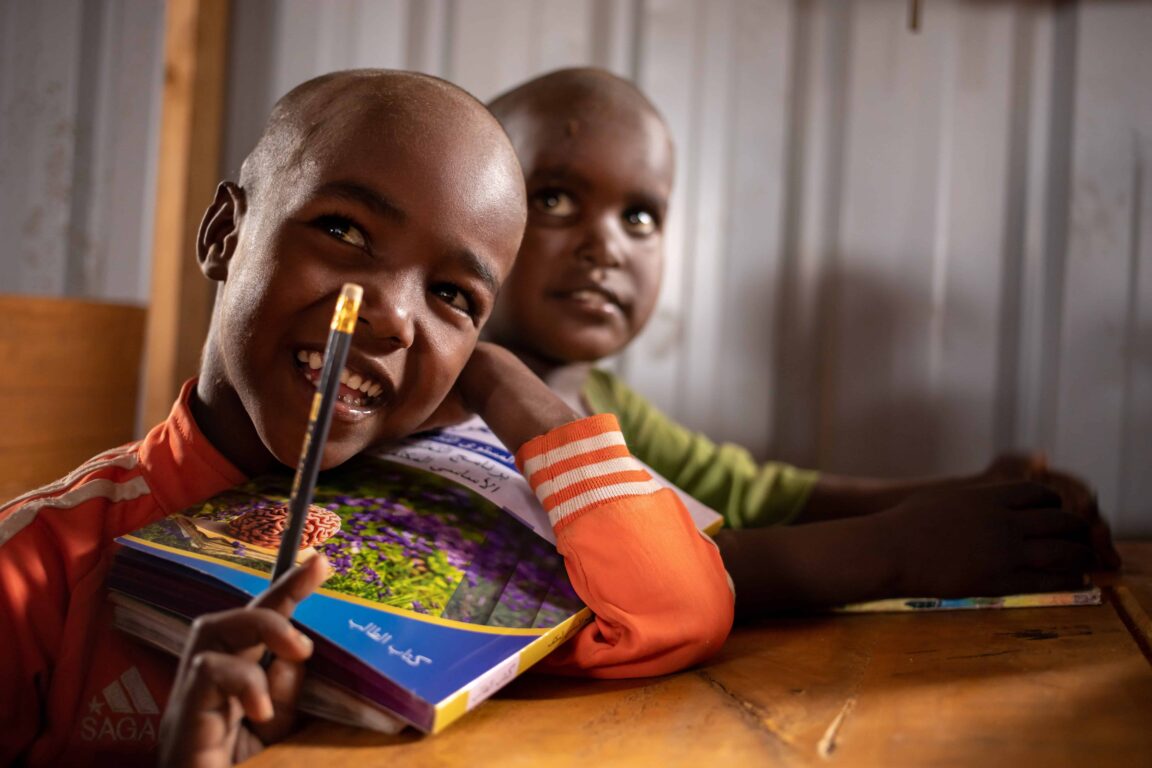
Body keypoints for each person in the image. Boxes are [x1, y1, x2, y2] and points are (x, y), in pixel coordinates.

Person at [0, 69, 733, 768]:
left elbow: (679, 612)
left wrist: (507, 385)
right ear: (225, 233)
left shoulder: (450, 538)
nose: (387, 314)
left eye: (452, 294)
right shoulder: (39, 567)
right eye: (344, 232)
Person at [483, 66, 1119, 618]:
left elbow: (747, 496)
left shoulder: (597, 395)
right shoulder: (459, 397)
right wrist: (894, 551)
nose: (608, 247)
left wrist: (967, 493)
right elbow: (597, 578)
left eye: (640, 216)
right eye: (556, 198)